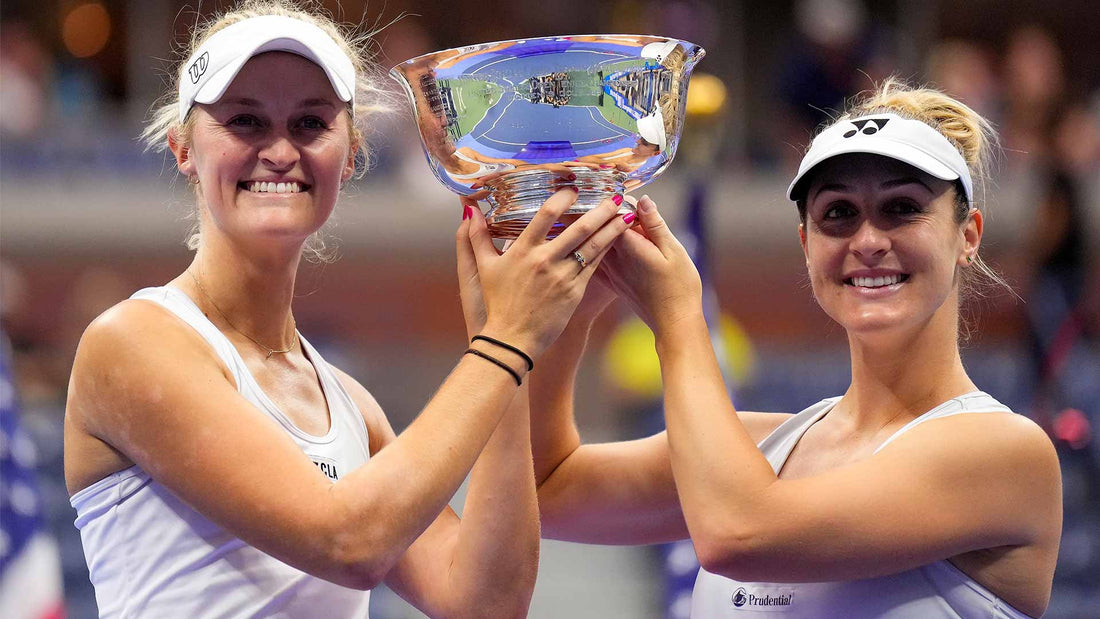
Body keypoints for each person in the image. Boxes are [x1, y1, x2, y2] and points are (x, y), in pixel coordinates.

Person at [63, 3, 632, 617]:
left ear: (352, 154)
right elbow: (348, 542)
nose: (280, 150)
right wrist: (507, 343)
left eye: (310, 123)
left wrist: (504, 339)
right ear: (183, 148)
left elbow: (486, 603)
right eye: (245, 121)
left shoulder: (351, 408)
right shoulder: (132, 343)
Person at [527, 79, 1062, 617]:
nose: (869, 240)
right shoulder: (763, 450)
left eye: (901, 207)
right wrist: (577, 289)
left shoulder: (1006, 453)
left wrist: (676, 317)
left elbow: (738, 534)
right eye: (838, 214)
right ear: (806, 245)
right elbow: (538, 490)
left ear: (968, 235)